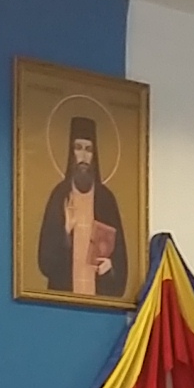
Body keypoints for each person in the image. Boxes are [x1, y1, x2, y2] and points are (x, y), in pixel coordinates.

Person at [36, 115, 129, 298]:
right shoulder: (60, 196)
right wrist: (65, 232)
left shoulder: (106, 200)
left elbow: (120, 258)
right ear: (71, 153)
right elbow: (45, 263)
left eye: (88, 149)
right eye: (78, 148)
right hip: (65, 297)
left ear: (94, 155)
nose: (84, 157)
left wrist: (111, 268)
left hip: (98, 297)